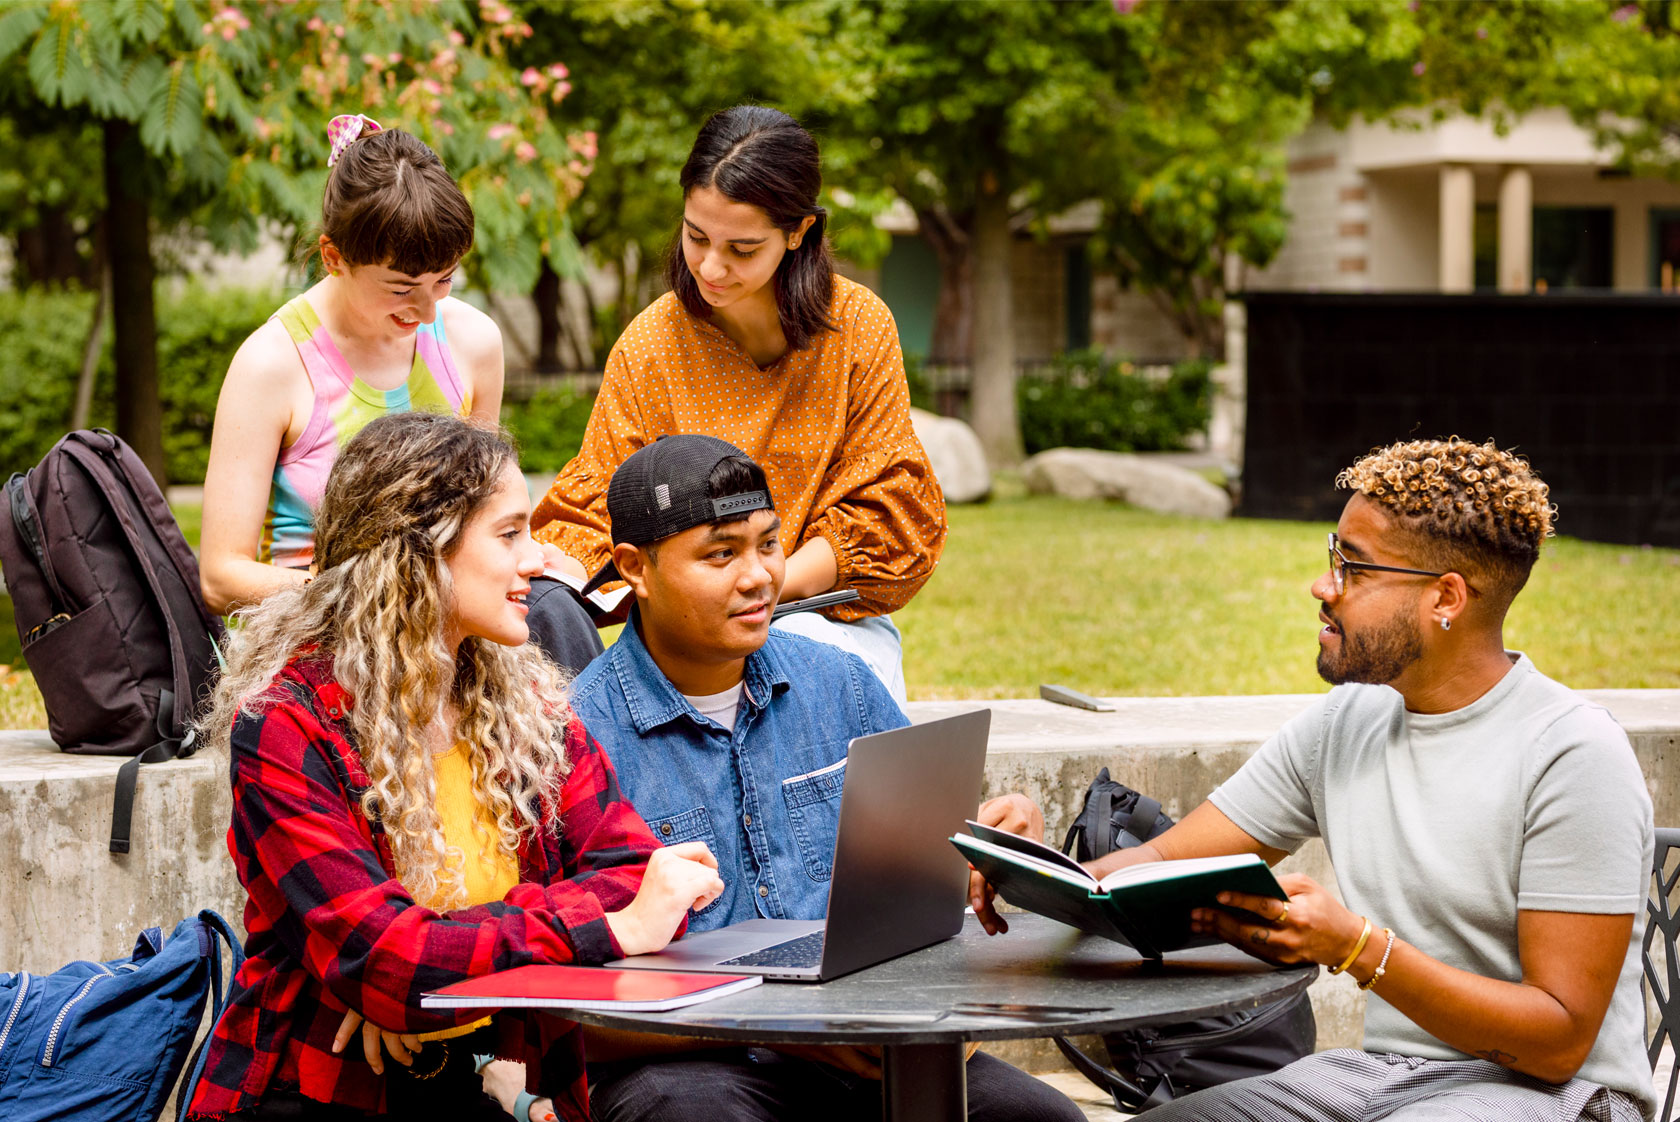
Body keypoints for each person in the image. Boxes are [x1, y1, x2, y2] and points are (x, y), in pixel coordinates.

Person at [1084, 438, 1654, 1122]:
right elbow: (1156, 863)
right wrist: (1027, 867)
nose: (1324, 587)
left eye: (1352, 567)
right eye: (1335, 557)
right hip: (1387, 1077)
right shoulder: (1345, 724)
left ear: (1446, 597)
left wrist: (1357, 948)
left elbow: (1560, 1040)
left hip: (1567, 1095)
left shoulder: (1572, 752)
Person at [184, 412, 724, 1122]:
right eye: (509, 535)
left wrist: (437, 977)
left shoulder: (523, 698)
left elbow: (638, 876)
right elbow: (389, 960)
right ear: (418, 551)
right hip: (319, 1089)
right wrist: (604, 931)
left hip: (483, 1074)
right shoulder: (287, 723)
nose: (540, 559)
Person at [560, 434, 1083, 1122]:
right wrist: (785, 1028)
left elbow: (925, 887)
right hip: (688, 1062)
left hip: (864, 1042)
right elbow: (557, 1007)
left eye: (768, 544)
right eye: (721, 553)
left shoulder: (839, 684)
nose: (758, 577)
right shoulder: (571, 736)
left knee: (1041, 1119)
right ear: (637, 569)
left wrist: (993, 850)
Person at [529, 106, 945, 703]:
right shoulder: (651, 344)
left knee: (811, 690)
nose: (711, 266)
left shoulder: (858, 326)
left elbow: (888, 503)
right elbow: (600, 504)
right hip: (683, 635)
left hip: (821, 618)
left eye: (742, 249)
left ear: (798, 231)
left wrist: (765, 587)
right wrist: (565, 572)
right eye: (696, 236)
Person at [198, 113, 602, 674]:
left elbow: (485, 514)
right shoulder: (272, 366)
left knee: (554, 612)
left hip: (452, 620)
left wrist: (525, 556)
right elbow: (222, 576)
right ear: (333, 257)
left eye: (445, 279)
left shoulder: (472, 342)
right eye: (401, 288)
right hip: (327, 629)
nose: (427, 310)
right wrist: (372, 589)